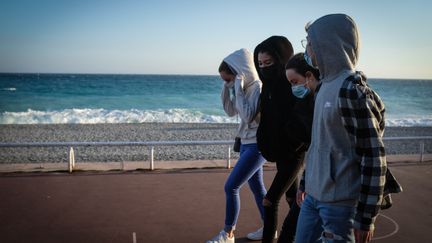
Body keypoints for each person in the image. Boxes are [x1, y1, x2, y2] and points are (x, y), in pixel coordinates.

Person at [295, 14, 402, 243]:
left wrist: (366, 217)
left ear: (328, 46)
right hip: (313, 196)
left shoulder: (350, 90)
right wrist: (305, 182)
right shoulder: (323, 85)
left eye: (310, 43)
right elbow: (318, 144)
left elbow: (374, 158)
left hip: (340, 203)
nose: (308, 50)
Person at [207, 48, 266, 243]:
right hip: (246, 143)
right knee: (257, 188)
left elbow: (248, 117)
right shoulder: (242, 87)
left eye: (228, 79)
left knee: (231, 187)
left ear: (240, 73)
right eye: (224, 80)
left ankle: (228, 233)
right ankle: (269, 226)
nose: (228, 83)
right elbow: (231, 112)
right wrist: (227, 89)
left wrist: (238, 89)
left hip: (258, 145)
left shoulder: (257, 87)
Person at [251, 36, 304, 243]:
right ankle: (303, 236)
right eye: (260, 64)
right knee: (293, 199)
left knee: (269, 201)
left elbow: (300, 122)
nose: (264, 68)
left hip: (293, 154)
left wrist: (291, 144)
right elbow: (267, 120)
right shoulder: (267, 87)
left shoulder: (292, 86)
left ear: (281, 60)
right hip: (280, 154)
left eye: (269, 63)